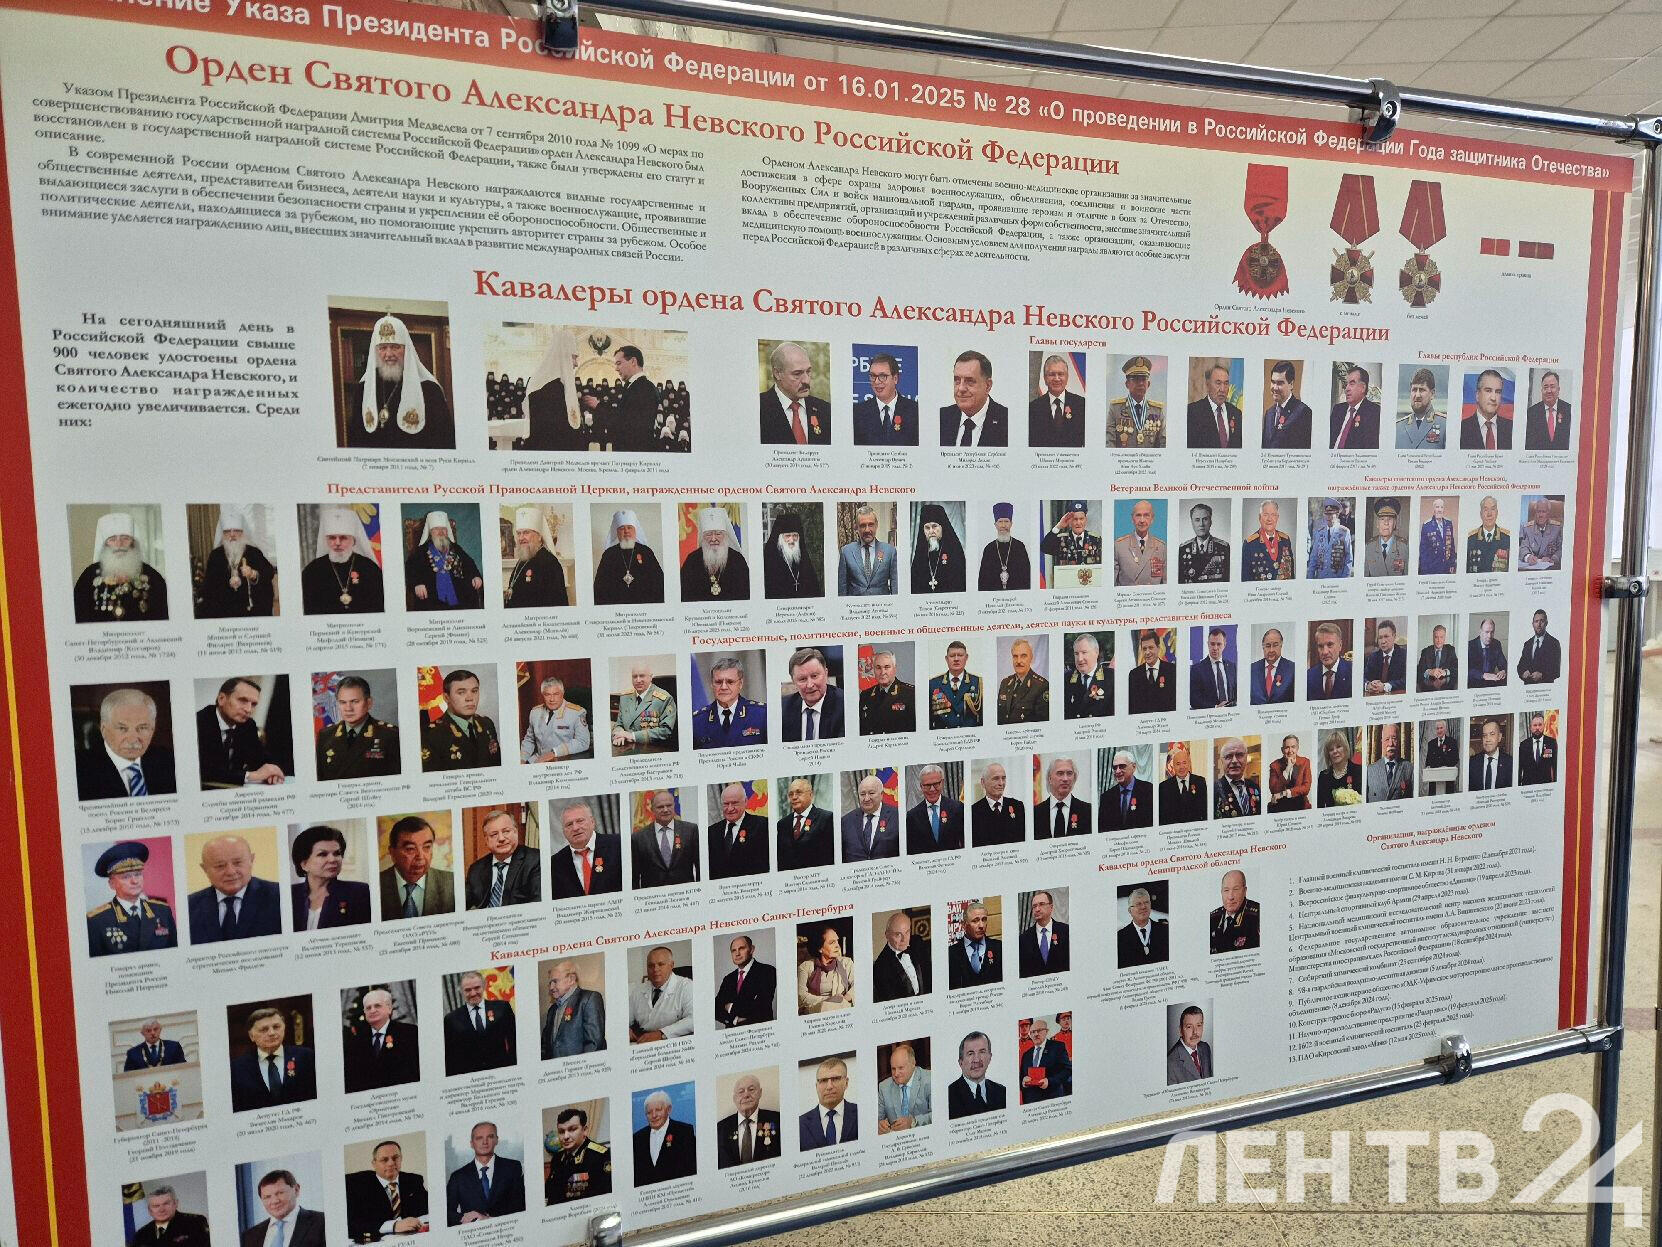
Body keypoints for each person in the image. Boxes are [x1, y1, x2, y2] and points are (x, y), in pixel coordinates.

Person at [346, 313, 453, 449]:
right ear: (376, 351)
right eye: (383, 348)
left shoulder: (430, 389)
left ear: (406, 349)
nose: (389, 354)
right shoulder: (363, 389)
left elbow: (444, 439)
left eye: (395, 347)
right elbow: (356, 438)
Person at [76, 687, 176, 800]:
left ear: (152, 728)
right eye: (122, 728)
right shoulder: (79, 771)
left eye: (142, 728)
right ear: (104, 730)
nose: (133, 740)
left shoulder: (169, 760)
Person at [74, 511, 168, 623]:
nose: (119, 544)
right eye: (112, 539)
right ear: (105, 544)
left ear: (133, 542)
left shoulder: (152, 576)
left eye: (125, 538)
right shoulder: (88, 576)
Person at [187, 834, 281, 943]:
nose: (230, 872)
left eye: (237, 863)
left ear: (251, 860)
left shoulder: (280, 896)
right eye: (220, 866)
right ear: (205, 869)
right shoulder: (189, 906)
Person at [88, 841, 177, 956]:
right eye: (126, 877)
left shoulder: (163, 911)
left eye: (138, 874)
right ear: (112, 884)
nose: (135, 881)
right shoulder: (96, 921)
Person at [196, 676, 285, 789]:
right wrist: (253, 776)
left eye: (253, 704)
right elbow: (205, 771)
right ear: (221, 699)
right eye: (243, 700)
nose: (248, 709)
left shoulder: (248, 725)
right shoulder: (199, 722)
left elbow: (261, 758)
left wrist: (272, 771)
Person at [229, 1006, 317, 1111]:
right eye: (264, 1029)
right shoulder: (237, 1068)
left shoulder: (306, 1057)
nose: (272, 1033)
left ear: (284, 1028)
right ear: (251, 1036)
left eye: (276, 1027)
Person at [299, 505, 383, 615]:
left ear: (354, 540)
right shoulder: (312, 571)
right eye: (332, 538)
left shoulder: (370, 568)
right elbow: (309, 610)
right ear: (326, 540)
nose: (337, 543)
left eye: (343, 538)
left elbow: (378, 607)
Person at [198, 505, 277, 618]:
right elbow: (208, 586)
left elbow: (269, 572)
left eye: (236, 530)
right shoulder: (215, 555)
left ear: (242, 532)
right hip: (224, 612)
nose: (232, 535)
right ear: (222, 534)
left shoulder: (254, 552)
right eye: (227, 531)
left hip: (251, 611)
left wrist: (253, 574)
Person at [315, 676, 399, 781]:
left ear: (369, 703)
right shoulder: (325, 735)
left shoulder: (390, 735)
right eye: (343, 702)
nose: (348, 708)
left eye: (355, 701)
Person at [519, 326, 589, 452]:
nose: (576, 363)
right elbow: (552, 436)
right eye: (574, 357)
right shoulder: (548, 390)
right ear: (562, 357)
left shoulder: (556, 387)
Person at [290, 825, 370, 931]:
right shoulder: (290, 895)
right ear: (304, 864)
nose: (333, 859)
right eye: (322, 854)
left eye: (337, 853)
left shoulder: (359, 892)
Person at [345, 1140, 429, 1240]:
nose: (391, 1163)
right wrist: (393, 1226)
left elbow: (427, 1208)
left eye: (395, 1158)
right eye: (384, 1160)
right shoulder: (357, 1186)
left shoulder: (414, 1180)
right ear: (374, 1164)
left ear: (401, 1159)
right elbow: (350, 1225)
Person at [445, 1122, 525, 1226]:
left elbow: (521, 1207)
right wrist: (470, 1219)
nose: (485, 1142)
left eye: (490, 1137)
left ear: (496, 1140)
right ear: (471, 1143)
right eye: (479, 1138)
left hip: (507, 1228)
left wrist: (489, 1219)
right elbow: (446, 1213)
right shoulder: (457, 1177)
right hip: (473, 1231)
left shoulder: (513, 1168)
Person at [343, 987, 421, 1092]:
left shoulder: (410, 1033)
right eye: (368, 1008)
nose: (372, 1010)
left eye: (377, 1006)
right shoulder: (355, 1041)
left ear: (389, 1009)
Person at [421, 669, 501, 771]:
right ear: (446, 697)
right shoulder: (431, 735)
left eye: (474, 691)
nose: (470, 698)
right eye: (461, 692)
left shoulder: (487, 724)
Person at [379, 815, 455, 920]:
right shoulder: (377, 885)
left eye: (427, 847)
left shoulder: (452, 883)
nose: (420, 856)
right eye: (410, 849)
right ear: (392, 853)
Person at [404, 511, 483, 611]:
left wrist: (475, 576)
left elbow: (469, 563)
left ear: (447, 531)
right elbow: (410, 568)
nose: (441, 532)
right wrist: (417, 584)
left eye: (443, 529)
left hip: (458, 596)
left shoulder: (455, 548)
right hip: (431, 598)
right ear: (430, 532)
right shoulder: (421, 551)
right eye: (436, 529)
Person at [443, 970, 516, 1075]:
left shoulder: (502, 1008)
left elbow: (515, 1040)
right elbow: (450, 1056)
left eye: (477, 988)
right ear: (460, 991)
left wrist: (513, 1067)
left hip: (502, 1072)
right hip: (469, 1076)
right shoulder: (451, 1019)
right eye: (467, 990)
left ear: (484, 986)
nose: (473, 993)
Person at [464, 810, 540, 909]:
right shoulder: (476, 869)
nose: (501, 838)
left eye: (506, 831)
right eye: (494, 834)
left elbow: (538, 904)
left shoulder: (535, 859)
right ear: (486, 840)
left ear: (516, 832)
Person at [760, 341, 831, 444]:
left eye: (808, 371)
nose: (806, 380)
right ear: (777, 373)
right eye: (797, 374)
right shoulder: (758, 408)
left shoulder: (825, 410)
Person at [549, 802, 622, 900]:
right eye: (569, 824)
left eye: (580, 821)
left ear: (592, 822)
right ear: (563, 831)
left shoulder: (618, 845)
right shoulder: (555, 863)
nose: (575, 828)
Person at [693, 655, 767, 749]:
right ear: (712, 684)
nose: (724, 687)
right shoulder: (697, 721)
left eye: (730, 682)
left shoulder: (762, 715)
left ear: (740, 684)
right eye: (718, 682)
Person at [593, 508, 665, 605]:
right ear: (617, 532)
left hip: (644, 605)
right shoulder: (609, 554)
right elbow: (599, 587)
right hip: (616, 606)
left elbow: (659, 583)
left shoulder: (646, 552)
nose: (626, 531)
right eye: (622, 528)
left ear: (635, 530)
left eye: (629, 527)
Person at [631, 789, 700, 888]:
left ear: (674, 805)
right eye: (660, 807)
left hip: (685, 892)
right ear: (652, 809)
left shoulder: (690, 830)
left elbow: (700, 866)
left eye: (669, 805)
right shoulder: (638, 838)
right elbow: (634, 876)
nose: (665, 810)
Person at [503, 507, 569, 608]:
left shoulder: (550, 563)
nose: (521, 538)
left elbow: (557, 603)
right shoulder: (523, 559)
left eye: (526, 532)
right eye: (519, 533)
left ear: (539, 536)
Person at [680, 507, 751, 601]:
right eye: (708, 534)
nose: (713, 539)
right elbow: (684, 594)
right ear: (703, 536)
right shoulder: (692, 560)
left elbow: (746, 594)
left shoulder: (737, 559)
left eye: (718, 534)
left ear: (725, 535)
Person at [940, 350, 1007, 446]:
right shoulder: (942, 417)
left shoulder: (1006, 420)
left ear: (987, 386)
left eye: (970, 381)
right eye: (957, 380)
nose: (961, 388)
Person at [240, 1170, 324, 1247]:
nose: (274, 1201)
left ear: (296, 1190)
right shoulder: (249, 1236)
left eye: (280, 1193)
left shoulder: (322, 1222)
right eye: (267, 1197)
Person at [603, 344, 661, 453]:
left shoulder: (644, 387)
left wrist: (599, 407)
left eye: (619, 363)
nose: (616, 368)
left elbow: (628, 426)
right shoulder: (635, 386)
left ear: (633, 361)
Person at [541, 960, 606, 1058]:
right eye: (550, 983)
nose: (551, 987)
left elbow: (594, 1045)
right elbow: (545, 1046)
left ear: (571, 979)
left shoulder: (589, 999)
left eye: (555, 981)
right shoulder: (552, 1010)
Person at [718, 1073, 784, 1167]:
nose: (746, 1095)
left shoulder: (779, 1120)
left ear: (760, 1093)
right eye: (741, 1091)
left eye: (751, 1089)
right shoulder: (720, 1128)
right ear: (734, 1098)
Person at [521, 675, 591, 764]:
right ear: (543, 695)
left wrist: (555, 752)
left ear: (562, 693)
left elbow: (583, 742)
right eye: (547, 694)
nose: (552, 699)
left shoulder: (576, 713)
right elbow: (529, 740)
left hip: (562, 761)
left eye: (556, 694)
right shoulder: (535, 712)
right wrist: (522, 758)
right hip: (537, 760)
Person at [547, 1108, 612, 1203]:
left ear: (584, 1130)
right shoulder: (557, 1158)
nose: (565, 1136)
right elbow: (550, 1192)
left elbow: (605, 1195)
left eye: (572, 1129)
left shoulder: (600, 1156)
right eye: (561, 1131)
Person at [853, 352, 918, 445]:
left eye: (882, 376)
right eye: (873, 376)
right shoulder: (857, 412)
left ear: (895, 378)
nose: (876, 382)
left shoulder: (915, 411)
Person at [634, 1091, 698, 1186]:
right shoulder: (637, 1138)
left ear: (669, 1110)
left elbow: (691, 1168)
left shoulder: (684, 1132)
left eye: (658, 1110)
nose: (654, 1115)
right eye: (649, 1112)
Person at [612, 661, 677, 755]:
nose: (638, 680)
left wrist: (632, 736)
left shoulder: (664, 699)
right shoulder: (625, 697)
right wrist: (619, 735)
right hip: (626, 749)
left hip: (652, 750)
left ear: (651, 677)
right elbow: (619, 724)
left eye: (642, 676)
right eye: (635, 676)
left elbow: (665, 731)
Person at [707, 782, 769, 880]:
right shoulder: (711, 832)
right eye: (726, 804)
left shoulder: (763, 825)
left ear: (745, 802)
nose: (730, 808)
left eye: (734, 803)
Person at [782, 647, 844, 741]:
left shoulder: (844, 704)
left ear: (826, 673)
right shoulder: (782, 708)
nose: (810, 685)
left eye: (814, 676)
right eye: (802, 679)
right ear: (793, 681)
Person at [715, 935, 777, 1027]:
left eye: (741, 948)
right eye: (733, 950)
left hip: (760, 1030)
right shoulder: (728, 979)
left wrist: (729, 1006)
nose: (737, 954)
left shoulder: (767, 971)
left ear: (751, 949)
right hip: (733, 1033)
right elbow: (716, 1008)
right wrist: (734, 1020)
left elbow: (761, 1006)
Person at [837, 503, 898, 595]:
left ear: (876, 525)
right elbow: (842, 589)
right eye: (862, 525)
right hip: (855, 604)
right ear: (857, 527)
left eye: (871, 525)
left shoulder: (890, 551)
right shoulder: (846, 552)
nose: (867, 530)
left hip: (881, 604)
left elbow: (895, 587)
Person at [800, 1056, 859, 1149]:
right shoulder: (800, 1124)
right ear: (816, 1086)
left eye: (835, 1079)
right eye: (823, 1080)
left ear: (846, 1083)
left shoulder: (861, 1112)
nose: (829, 1086)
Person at [762, 508, 823, 598]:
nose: (792, 540)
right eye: (787, 536)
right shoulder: (771, 557)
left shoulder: (802, 555)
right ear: (780, 538)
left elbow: (812, 584)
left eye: (795, 535)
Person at [776, 777, 835, 870]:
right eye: (791, 794)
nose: (794, 797)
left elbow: (830, 856)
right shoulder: (782, 824)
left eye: (798, 793)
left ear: (811, 795)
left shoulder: (826, 818)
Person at [872, 910, 931, 1001]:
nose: (904, 939)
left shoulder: (918, 942)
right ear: (887, 935)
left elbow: (929, 977)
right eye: (898, 935)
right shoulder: (880, 968)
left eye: (907, 932)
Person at [1108, 355, 1165, 447]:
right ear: (1127, 384)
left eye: (1143, 379)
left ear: (1148, 384)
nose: (1140, 383)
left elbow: (1163, 444)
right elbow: (1109, 443)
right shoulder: (1115, 409)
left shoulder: (1157, 411)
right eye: (1136, 379)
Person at [1028, 353, 1085, 446]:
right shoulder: (1033, 408)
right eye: (1052, 374)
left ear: (1067, 377)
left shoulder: (1081, 405)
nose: (1057, 379)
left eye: (1061, 374)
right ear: (1045, 378)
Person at [1039, 500, 1103, 583]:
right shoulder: (1062, 539)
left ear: (1086, 520)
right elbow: (1044, 548)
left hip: (1090, 584)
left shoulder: (1096, 540)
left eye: (1081, 519)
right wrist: (1058, 526)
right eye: (1075, 519)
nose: (1078, 523)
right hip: (1067, 584)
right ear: (1069, 521)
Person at [906, 764, 964, 853]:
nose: (932, 789)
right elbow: (911, 850)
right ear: (921, 786)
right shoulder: (912, 816)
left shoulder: (957, 808)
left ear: (942, 783)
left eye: (936, 784)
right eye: (927, 785)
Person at [842, 774, 901, 861]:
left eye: (871, 793)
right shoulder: (846, 821)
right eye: (862, 794)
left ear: (881, 794)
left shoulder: (898, 817)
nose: (866, 799)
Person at [911, 503, 967, 593]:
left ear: (942, 527)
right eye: (927, 528)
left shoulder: (954, 550)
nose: (931, 531)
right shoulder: (920, 553)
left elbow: (960, 583)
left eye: (934, 526)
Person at [928, 640, 983, 730]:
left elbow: (982, 719)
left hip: (969, 735)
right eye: (952, 656)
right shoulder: (933, 684)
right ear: (946, 659)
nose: (956, 659)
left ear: (966, 657)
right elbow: (929, 720)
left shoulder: (977, 683)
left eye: (960, 655)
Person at [797, 926, 855, 1012]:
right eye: (832, 942)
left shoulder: (846, 963)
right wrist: (830, 1000)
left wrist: (845, 998)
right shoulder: (805, 967)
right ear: (820, 948)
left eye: (837, 941)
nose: (837, 946)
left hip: (843, 1007)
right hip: (815, 1010)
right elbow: (801, 996)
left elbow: (858, 984)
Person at [877, 1042, 933, 1131]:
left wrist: (913, 1122)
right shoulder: (883, 1087)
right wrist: (879, 1125)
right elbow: (877, 1120)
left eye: (901, 1068)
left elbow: (938, 1115)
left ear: (913, 1064)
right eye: (893, 1069)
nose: (896, 1074)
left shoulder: (930, 1079)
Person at [947, 1032, 1006, 1116]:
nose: (977, 1060)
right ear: (961, 1062)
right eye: (970, 1053)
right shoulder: (948, 1095)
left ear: (990, 1057)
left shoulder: (1002, 1092)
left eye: (982, 1052)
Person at [976, 501, 1032, 590]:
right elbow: (983, 580)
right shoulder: (989, 549)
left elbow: (1027, 577)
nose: (1003, 525)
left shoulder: (1019, 547)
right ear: (995, 524)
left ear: (1011, 524)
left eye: (1006, 521)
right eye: (1000, 521)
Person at [1186, 362, 1242, 448]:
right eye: (1218, 383)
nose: (1222, 389)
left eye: (1226, 383)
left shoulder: (1236, 413)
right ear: (1208, 385)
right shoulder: (1193, 412)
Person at [860, 649, 916, 735]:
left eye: (887, 667)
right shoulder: (865, 695)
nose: (882, 672)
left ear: (895, 668)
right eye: (878, 668)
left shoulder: (911, 693)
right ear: (873, 670)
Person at [1033, 755, 1091, 837]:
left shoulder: (1088, 811)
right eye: (1060, 773)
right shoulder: (1035, 813)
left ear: (1074, 778)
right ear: (1050, 778)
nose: (1065, 779)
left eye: (1069, 773)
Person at [131, 1186, 209, 1245]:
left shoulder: (195, 1223)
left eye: (166, 1204)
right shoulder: (141, 1234)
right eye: (156, 1206)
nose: (161, 1209)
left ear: (176, 1204)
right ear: (149, 1210)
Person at [971, 762, 1025, 847]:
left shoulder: (1017, 806)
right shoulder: (973, 811)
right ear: (983, 782)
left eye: (1003, 778)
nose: (1001, 783)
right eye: (996, 778)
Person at [1114, 499, 1167, 587]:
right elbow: (1112, 585)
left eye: (1146, 515)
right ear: (1132, 519)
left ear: (1152, 519)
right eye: (1138, 515)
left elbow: (1165, 585)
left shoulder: (1162, 547)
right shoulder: (1119, 546)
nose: (1142, 520)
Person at [948, 902, 1002, 988]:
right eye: (975, 921)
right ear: (964, 925)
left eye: (984, 920)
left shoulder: (999, 948)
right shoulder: (950, 953)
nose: (981, 925)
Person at [996, 638, 1049, 724]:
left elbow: (1042, 724)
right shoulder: (1005, 683)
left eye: (1023, 656)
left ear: (1031, 658)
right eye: (1015, 656)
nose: (1018, 661)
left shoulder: (1041, 686)